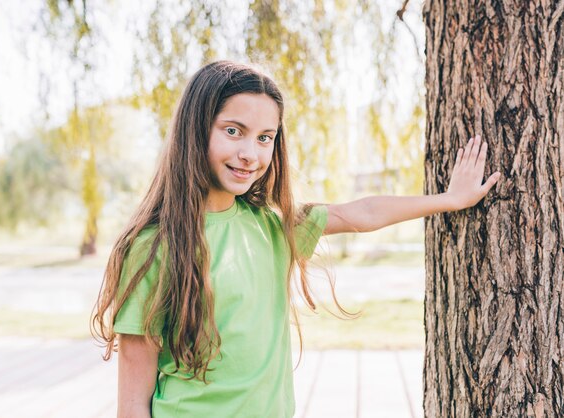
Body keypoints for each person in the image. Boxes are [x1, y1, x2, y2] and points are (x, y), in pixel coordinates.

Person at [91, 60, 501, 418]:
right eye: (234, 131)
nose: (251, 152)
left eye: (265, 137)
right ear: (195, 130)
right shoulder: (153, 246)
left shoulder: (271, 225)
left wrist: (449, 200)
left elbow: (361, 214)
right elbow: (132, 400)